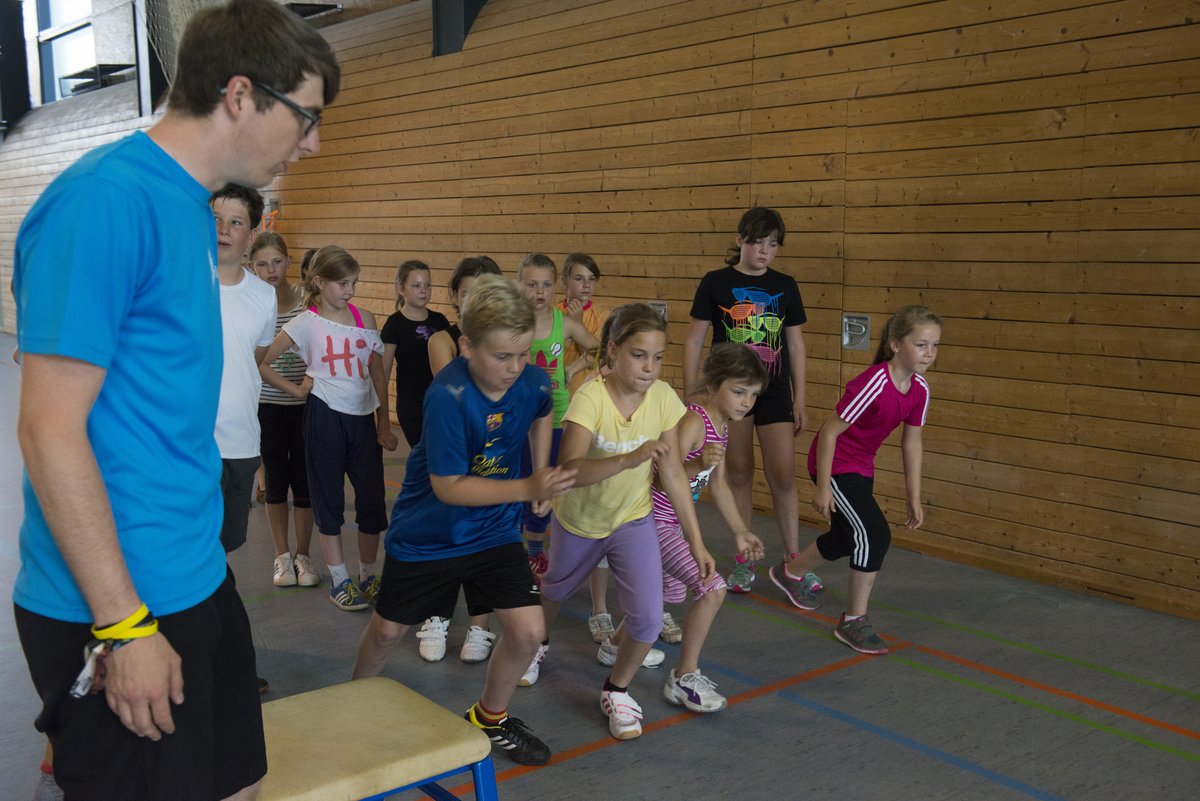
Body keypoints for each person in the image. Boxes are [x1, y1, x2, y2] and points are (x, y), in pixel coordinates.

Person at [11, 0, 339, 798]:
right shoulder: (103, 203)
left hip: (192, 574)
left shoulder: (188, 208)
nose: (314, 141)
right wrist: (123, 626)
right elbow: (49, 432)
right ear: (239, 95)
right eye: (305, 117)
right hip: (117, 605)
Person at [351, 275, 576, 767]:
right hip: (428, 536)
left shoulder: (531, 380)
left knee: (527, 631)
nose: (514, 369)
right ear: (467, 344)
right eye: (502, 357)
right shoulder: (448, 395)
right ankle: (351, 707)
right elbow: (448, 487)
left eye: (522, 355)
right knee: (389, 633)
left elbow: (542, 411)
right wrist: (528, 489)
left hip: (492, 532)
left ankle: (490, 717)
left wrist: (538, 467)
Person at [524, 303, 712, 742]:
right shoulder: (590, 396)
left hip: (632, 519)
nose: (649, 367)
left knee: (647, 620)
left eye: (658, 356)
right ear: (613, 350)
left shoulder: (664, 398)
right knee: (553, 590)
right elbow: (570, 469)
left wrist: (697, 541)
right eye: (638, 354)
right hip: (580, 521)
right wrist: (627, 458)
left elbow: (673, 475)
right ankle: (536, 644)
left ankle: (616, 689)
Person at [606, 342, 767, 713]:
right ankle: (684, 677)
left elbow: (719, 484)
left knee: (663, 596)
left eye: (753, 395)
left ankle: (615, 644)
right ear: (713, 386)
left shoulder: (721, 427)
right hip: (653, 519)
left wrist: (739, 531)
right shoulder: (694, 421)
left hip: (675, 523)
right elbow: (665, 477)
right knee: (712, 587)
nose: (746, 402)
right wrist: (698, 465)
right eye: (738, 391)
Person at [774, 306, 940, 655]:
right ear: (895, 344)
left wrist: (915, 496)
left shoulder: (920, 389)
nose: (929, 353)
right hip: (834, 464)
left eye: (934, 346)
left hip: (862, 466)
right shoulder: (873, 383)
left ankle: (790, 573)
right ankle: (853, 621)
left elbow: (913, 443)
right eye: (921, 344)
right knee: (875, 535)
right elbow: (830, 433)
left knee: (847, 537)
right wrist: (822, 488)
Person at [683, 206, 823, 598]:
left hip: (775, 390)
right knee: (739, 473)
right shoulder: (716, 282)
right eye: (758, 242)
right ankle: (745, 560)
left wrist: (801, 398)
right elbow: (694, 339)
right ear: (742, 239)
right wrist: (691, 391)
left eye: (773, 245)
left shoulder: (786, 285)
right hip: (731, 394)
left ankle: (794, 560)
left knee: (783, 475)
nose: (764, 251)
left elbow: (795, 344)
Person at [259, 245, 398, 612]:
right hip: (324, 416)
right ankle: (340, 580)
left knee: (370, 500)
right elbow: (264, 363)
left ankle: (368, 575)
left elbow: (377, 370)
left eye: (353, 282)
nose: (349, 290)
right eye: (342, 284)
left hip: (362, 418)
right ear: (319, 282)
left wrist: (383, 420)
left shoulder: (365, 319)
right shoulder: (305, 322)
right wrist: (297, 389)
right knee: (328, 499)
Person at [420, 255, 502, 663]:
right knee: (444, 535)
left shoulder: (504, 346)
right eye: (468, 293)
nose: (475, 302)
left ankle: (480, 624)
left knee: (483, 538)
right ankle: (435, 615)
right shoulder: (443, 340)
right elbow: (458, 391)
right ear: (454, 297)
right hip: (451, 455)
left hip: (491, 456)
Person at [517, 253, 598, 584]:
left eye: (547, 285)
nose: (540, 291)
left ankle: (537, 550)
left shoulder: (563, 323)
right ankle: (515, 547)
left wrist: (574, 367)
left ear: (556, 287)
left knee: (552, 486)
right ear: (519, 286)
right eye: (532, 284)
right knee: (522, 484)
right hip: (519, 421)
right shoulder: (513, 322)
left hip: (555, 418)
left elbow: (601, 348)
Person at [554, 253, 618, 643]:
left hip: (592, 414)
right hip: (556, 412)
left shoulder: (604, 315)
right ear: (565, 281)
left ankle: (600, 606)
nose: (586, 285)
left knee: (597, 501)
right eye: (579, 279)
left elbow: (602, 357)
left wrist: (576, 367)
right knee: (557, 496)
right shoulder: (550, 313)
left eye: (591, 279)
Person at [249, 231, 319, 588]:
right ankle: (282, 556)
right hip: (269, 406)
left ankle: (304, 555)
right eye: (262, 264)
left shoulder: (307, 300)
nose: (271, 269)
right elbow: (256, 361)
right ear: (252, 267)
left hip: (307, 407)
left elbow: (319, 344)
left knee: (304, 481)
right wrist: (293, 389)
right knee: (275, 481)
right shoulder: (252, 304)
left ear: (289, 262)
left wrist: (308, 381)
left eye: (277, 261)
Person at [211, 184, 277, 557]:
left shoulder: (263, 296)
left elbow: (255, 357)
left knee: (225, 548)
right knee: (183, 550)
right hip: (187, 442)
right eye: (216, 219)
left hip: (239, 444)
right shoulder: (180, 282)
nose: (223, 229)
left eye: (235, 222)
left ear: (250, 235)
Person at [380, 260, 450, 449]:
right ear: (401, 289)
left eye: (428, 285)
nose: (423, 291)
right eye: (416, 286)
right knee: (426, 455)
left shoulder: (440, 320)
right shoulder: (395, 324)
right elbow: (383, 374)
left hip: (439, 399)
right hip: (412, 404)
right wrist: (382, 421)